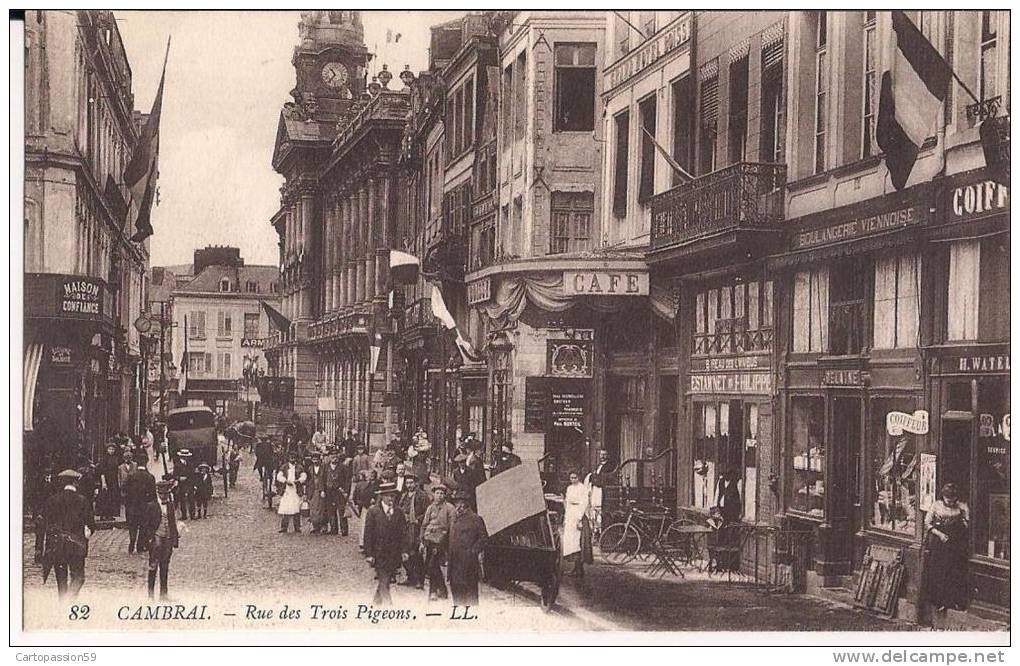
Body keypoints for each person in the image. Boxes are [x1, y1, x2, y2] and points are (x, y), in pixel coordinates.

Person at [40, 470, 95, 598]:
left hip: (57, 544)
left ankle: (63, 604)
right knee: (78, 577)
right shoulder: (83, 501)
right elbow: (91, 525)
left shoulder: (52, 500)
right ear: (76, 482)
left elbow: (45, 523)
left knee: (61, 579)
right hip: (76, 544)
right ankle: (69, 600)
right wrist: (85, 535)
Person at [924, 483, 969, 612]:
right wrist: (939, 534)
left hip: (955, 542)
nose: (950, 502)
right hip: (939, 542)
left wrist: (965, 514)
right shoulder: (936, 505)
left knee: (954, 570)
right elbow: (927, 523)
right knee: (939, 571)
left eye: (953, 499)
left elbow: (967, 522)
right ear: (943, 496)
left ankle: (953, 601)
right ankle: (939, 601)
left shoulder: (960, 506)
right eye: (948, 499)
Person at [362, 481, 409, 606]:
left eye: (393, 496)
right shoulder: (373, 512)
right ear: (381, 496)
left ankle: (375, 604)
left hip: (394, 554)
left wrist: (404, 551)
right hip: (379, 553)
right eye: (388, 496)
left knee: (386, 580)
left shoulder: (399, 512)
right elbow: (368, 535)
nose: (391, 499)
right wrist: (369, 554)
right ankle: (389, 606)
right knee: (384, 579)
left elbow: (403, 533)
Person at [447, 489, 488, 605]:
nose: (457, 505)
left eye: (459, 502)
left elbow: (484, 538)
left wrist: (473, 551)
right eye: (456, 503)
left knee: (470, 596)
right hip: (454, 562)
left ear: (465, 503)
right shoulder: (454, 518)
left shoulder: (475, 519)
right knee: (456, 593)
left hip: (468, 563)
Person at [142, 480, 180, 600]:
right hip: (156, 538)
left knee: (165, 566)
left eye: (167, 495)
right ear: (158, 493)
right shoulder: (151, 506)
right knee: (153, 566)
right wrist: (148, 539)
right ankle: (150, 595)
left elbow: (172, 522)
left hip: (167, 538)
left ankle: (164, 595)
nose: (165, 497)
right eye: (162, 494)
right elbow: (145, 525)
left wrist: (175, 538)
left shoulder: (169, 505)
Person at [420, 483, 455, 600]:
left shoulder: (450, 508)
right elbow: (424, 525)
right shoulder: (430, 508)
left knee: (432, 565)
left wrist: (448, 545)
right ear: (433, 494)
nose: (439, 496)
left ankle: (433, 592)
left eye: (442, 493)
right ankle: (442, 590)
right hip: (429, 540)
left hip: (441, 542)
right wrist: (422, 541)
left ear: (445, 495)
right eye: (437, 493)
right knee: (432, 566)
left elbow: (452, 528)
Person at [399, 474, 429, 588]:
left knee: (416, 554)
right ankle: (410, 576)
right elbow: (400, 508)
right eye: (407, 483)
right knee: (405, 553)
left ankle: (419, 580)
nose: (409, 485)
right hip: (405, 528)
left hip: (416, 528)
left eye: (411, 483)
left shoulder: (422, 496)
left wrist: (417, 520)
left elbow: (427, 512)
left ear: (416, 483)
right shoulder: (404, 496)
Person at [562, 471, 592, 577]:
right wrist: (566, 518)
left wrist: (579, 518)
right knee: (570, 542)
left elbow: (584, 503)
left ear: (579, 477)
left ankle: (579, 568)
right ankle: (575, 568)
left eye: (575, 477)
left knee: (579, 542)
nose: (573, 479)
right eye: (571, 478)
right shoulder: (569, 488)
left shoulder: (583, 488)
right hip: (570, 514)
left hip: (579, 514)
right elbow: (567, 502)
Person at [123, 462, 157, 553]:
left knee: (132, 525)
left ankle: (132, 541)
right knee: (143, 526)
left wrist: (128, 500)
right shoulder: (150, 477)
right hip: (144, 506)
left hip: (132, 506)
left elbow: (124, 489)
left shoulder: (131, 476)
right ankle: (140, 545)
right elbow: (153, 494)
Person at [276, 452, 307, 533]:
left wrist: (298, 481)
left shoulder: (299, 467)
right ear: (288, 458)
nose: (292, 458)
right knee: (286, 508)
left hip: (296, 490)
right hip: (287, 490)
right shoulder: (284, 467)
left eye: (294, 457)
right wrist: (285, 481)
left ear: (296, 458)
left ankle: (297, 527)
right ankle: (284, 527)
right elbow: (279, 476)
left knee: (296, 508)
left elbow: (304, 476)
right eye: (291, 457)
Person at [323, 448, 351, 536]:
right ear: (329, 456)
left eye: (336, 455)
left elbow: (347, 480)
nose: (334, 457)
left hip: (340, 491)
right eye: (332, 455)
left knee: (341, 510)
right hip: (329, 491)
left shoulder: (343, 467)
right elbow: (323, 479)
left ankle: (344, 530)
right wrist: (323, 490)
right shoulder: (325, 466)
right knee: (331, 511)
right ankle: (333, 529)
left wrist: (346, 491)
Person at [585, 448, 612, 532]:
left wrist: (596, 479)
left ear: (607, 456)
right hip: (595, 491)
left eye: (604, 455)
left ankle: (600, 531)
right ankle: (595, 531)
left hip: (602, 491)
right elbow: (594, 477)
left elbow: (603, 479)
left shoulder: (609, 466)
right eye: (601, 454)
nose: (602, 456)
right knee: (593, 511)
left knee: (599, 511)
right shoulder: (597, 466)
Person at [96, 443, 122, 520]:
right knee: (104, 497)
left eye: (113, 449)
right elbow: (102, 471)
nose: (111, 451)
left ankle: (110, 514)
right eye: (110, 449)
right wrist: (104, 482)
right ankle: (103, 515)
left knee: (112, 497)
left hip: (113, 480)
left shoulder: (116, 458)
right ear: (107, 450)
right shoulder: (104, 459)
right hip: (106, 479)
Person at [355, 470, 379, 550]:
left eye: (372, 475)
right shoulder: (366, 485)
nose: (370, 477)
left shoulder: (378, 484)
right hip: (366, 507)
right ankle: (363, 544)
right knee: (364, 525)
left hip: (375, 508)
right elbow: (362, 495)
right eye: (369, 476)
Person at [306, 452, 327, 534]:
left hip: (321, 490)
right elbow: (308, 481)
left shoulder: (323, 468)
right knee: (313, 508)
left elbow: (325, 480)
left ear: (319, 460)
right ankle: (314, 526)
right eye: (313, 459)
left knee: (322, 509)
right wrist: (307, 492)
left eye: (316, 459)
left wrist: (323, 490)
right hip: (313, 490)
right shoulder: (310, 468)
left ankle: (323, 526)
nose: (315, 461)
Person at [254, 436, 277, 509]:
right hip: (268, 461)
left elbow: (256, 453)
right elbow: (272, 453)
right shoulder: (269, 445)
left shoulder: (258, 445)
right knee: (270, 468)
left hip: (262, 460)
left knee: (259, 466)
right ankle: (270, 476)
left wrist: (260, 456)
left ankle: (261, 476)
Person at [174, 449, 197, 520]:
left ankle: (192, 515)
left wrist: (193, 484)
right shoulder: (177, 465)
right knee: (182, 500)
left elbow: (193, 475)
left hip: (189, 483)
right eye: (183, 456)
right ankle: (184, 515)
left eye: (186, 456)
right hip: (181, 484)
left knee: (191, 499)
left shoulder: (190, 464)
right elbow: (175, 475)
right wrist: (179, 478)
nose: (185, 458)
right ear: (181, 456)